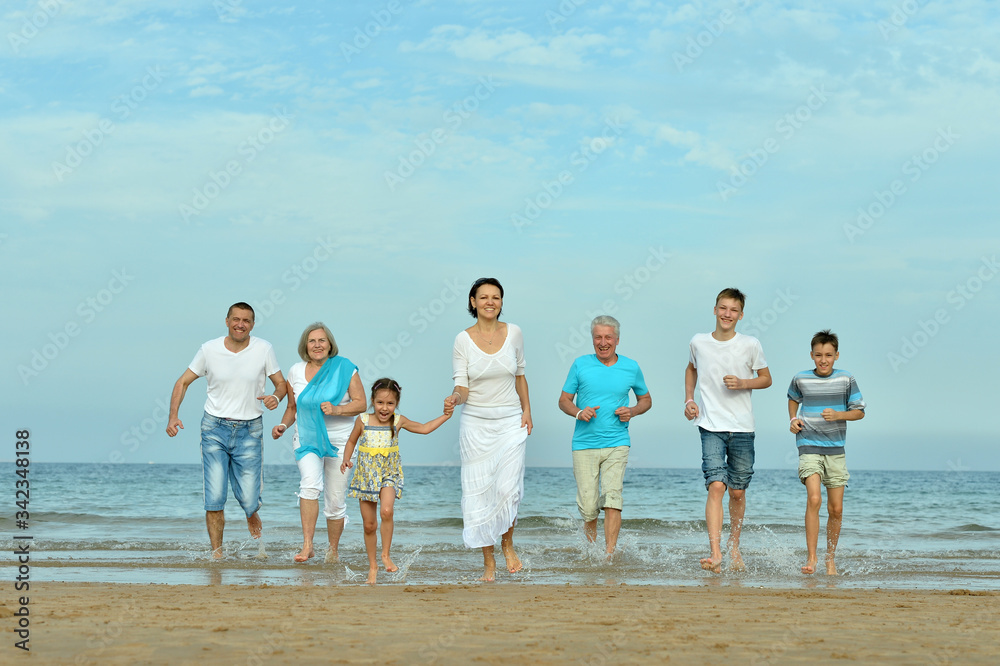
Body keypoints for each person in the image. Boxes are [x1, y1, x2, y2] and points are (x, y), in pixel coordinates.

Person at [166, 302, 286, 558]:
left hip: (250, 430)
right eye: (236, 319)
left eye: (246, 320)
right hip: (214, 429)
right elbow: (183, 381)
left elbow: (281, 384)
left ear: (252, 324)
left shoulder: (264, 349)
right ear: (227, 320)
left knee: (250, 498)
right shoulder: (208, 350)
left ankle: (251, 511)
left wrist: (276, 396)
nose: (240, 324)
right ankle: (217, 554)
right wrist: (173, 416)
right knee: (215, 495)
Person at [443, 277, 532, 582]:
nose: (490, 302)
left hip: (510, 421)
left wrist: (527, 411)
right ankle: (489, 563)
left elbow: (520, 375)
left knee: (508, 489)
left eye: (495, 297)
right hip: (476, 424)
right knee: (480, 495)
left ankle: (507, 544)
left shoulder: (515, 333)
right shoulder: (462, 340)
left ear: (501, 302)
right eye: (483, 297)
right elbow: (461, 386)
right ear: (473, 302)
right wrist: (455, 398)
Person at [684, 288, 771, 573]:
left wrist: (743, 384)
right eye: (723, 308)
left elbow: (766, 379)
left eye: (733, 310)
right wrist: (689, 400)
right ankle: (716, 552)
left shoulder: (750, 344)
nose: (727, 314)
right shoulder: (699, 341)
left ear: (741, 315)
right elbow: (691, 369)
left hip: (743, 428)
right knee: (716, 485)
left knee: (736, 492)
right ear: (714, 309)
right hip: (710, 425)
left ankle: (734, 547)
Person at [340, 378, 453, 584]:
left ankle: (385, 554)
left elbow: (424, 428)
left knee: (386, 511)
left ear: (396, 404)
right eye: (380, 403)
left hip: (388, 474)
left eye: (390, 404)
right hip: (366, 476)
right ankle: (372, 566)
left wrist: (445, 416)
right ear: (373, 401)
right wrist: (346, 459)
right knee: (369, 525)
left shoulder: (398, 421)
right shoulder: (362, 420)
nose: (384, 408)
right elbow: (351, 441)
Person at [271, 323, 366, 564]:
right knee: (310, 485)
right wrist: (282, 425)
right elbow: (292, 408)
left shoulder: (345, 368)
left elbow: (362, 404)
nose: (317, 345)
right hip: (307, 437)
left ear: (330, 344)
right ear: (305, 346)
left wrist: (337, 409)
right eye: (312, 341)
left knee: (335, 501)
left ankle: (332, 550)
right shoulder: (295, 370)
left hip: (342, 440)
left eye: (322, 340)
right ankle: (308, 545)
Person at [558, 315, 651, 557]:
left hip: (617, 442)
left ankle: (608, 555)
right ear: (592, 340)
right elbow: (563, 401)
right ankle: (591, 553)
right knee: (589, 507)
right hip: (584, 444)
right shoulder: (580, 364)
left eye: (608, 337)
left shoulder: (631, 366)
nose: (603, 342)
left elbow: (646, 400)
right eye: (598, 337)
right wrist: (579, 412)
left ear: (617, 340)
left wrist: (632, 411)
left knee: (612, 497)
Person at [788, 329, 866, 576]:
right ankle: (811, 558)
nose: (823, 360)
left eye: (829, 355)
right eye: (819, 355)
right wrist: (793, 419)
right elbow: (792, 398)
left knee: (836, 509)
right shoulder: (801, 378)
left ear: (837, 355)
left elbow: (860, 411)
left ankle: (830, 559)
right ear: (812, 355)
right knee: (814, 499)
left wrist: (839, 414)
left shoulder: (846, 379)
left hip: (835, 450)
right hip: (808, 446)